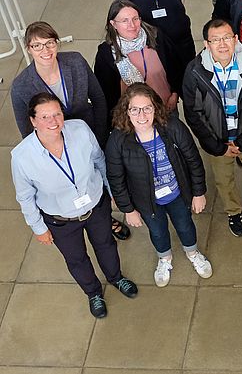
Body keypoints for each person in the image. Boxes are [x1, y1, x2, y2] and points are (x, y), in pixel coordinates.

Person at [11, 93, 138, 318]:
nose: (53, 121)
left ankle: (116, 277)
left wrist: (112, 191)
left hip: (96, 207)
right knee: (76, 258)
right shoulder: (22, 157)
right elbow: (25, 197)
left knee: (106, 244)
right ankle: (94, 293)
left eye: (57, 114)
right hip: (61, 221)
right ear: (33, 121)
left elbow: (99, 160)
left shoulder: (79, 129)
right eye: (45, 116)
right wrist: (38, 228)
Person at [10, 21, 129, 241]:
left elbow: (99, 97)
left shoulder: (75, 61)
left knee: (95, 175)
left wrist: (100, 134)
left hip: (87, 135)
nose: (45, 50)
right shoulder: (21, 86)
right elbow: (27, 129)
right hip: (55, 145)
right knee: (73, 181)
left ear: (57, 43)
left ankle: (105, 217)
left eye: (49, 43)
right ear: (28, 48)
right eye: (37, 46)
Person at [106, 84, 212, 287]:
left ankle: (193, 253)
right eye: (134, 109)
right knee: (157, 231)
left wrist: (199, 193)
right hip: (147, 202)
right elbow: (116, 179)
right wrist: (128, 210)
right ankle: (165, 259)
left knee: (185, 225)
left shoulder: (172, 127)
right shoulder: (117, 140)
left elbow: (193, 161)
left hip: (177, 194)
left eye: (147, 108)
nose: (142, 115)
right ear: (126, 112)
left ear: (155, 107)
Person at [182, 19, 242, 237]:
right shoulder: (195, 72)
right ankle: (234, 212)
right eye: (215, 39)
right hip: (218, 141)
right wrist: (217, 146)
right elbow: (194, 114)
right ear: (207, 44)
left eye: (226, 38)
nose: (222, 44)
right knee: (224, 181)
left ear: (235, 39)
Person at [94, 0, 176, 120]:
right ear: (113, 24)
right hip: (135, 118)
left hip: (166, 107)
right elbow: (106, 92)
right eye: (124, 21)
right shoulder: (106, 54)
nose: (131, 25)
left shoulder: (157, 37)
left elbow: (175, 66)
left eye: (135, 19)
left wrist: (174, 94)